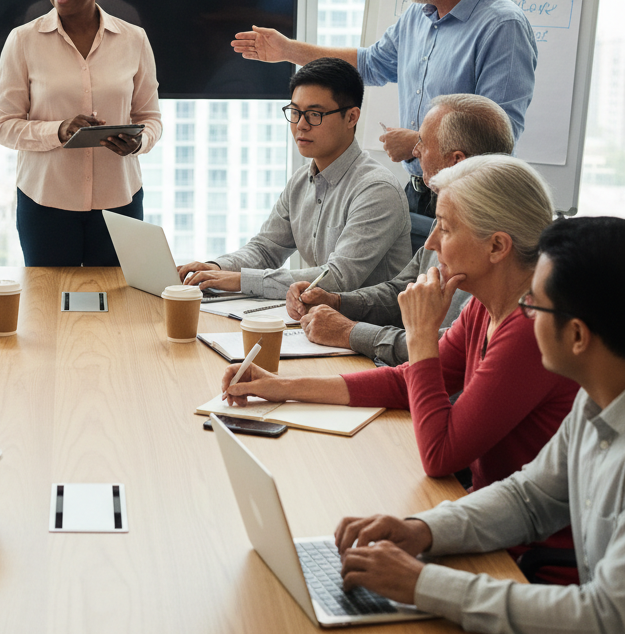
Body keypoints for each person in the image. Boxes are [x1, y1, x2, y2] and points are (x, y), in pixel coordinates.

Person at [223, 154, 577, 576]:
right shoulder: (487, 308)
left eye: (445, 228)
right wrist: (281, 386)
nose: (429, 243)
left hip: (520, 557)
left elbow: (440, 454)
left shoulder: (529, 331)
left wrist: (422, 334)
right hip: (480, 523)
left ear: (497, 246)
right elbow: (406, 381)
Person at [333, 217, 625, 634]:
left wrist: (426, 585)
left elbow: (607, 626)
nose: (524, 313)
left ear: (577, 337)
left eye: (536, 305)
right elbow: (531, 497)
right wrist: (421, 530)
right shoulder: (596, 399)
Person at [231, 0, 537, 217]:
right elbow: (372, 63)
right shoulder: (418, 15)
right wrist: (287, 51)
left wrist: (419, 141)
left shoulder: (502, 27)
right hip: (417, 192)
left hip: (470, 204)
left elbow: (501, 137)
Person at [290, 93, 514, 365]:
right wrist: (338, 302)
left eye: (422, 141)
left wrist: (350, 331)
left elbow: (451, 348)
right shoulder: (452, 209)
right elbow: (401, 291)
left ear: (456, 161)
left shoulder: (492, 240)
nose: (415, 150)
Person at [0, 0, 162, 265]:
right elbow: (4, 126)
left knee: (118, 309)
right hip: (45, 204)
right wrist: (59, 130)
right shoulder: (23, 41)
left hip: (120, 201)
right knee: (50, 312)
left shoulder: (134, 39)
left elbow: (150, 118)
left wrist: (139, 142)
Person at [178, 58, 410, 299]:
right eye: (295, 112)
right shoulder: (301, 180)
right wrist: (216, 268)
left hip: (370, 329)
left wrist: (240, 280)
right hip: (315, 320)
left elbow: (338, 278)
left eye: (314, 114)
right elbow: (266, 249)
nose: (301, 125)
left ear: (351, 117)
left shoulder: (377, 189)